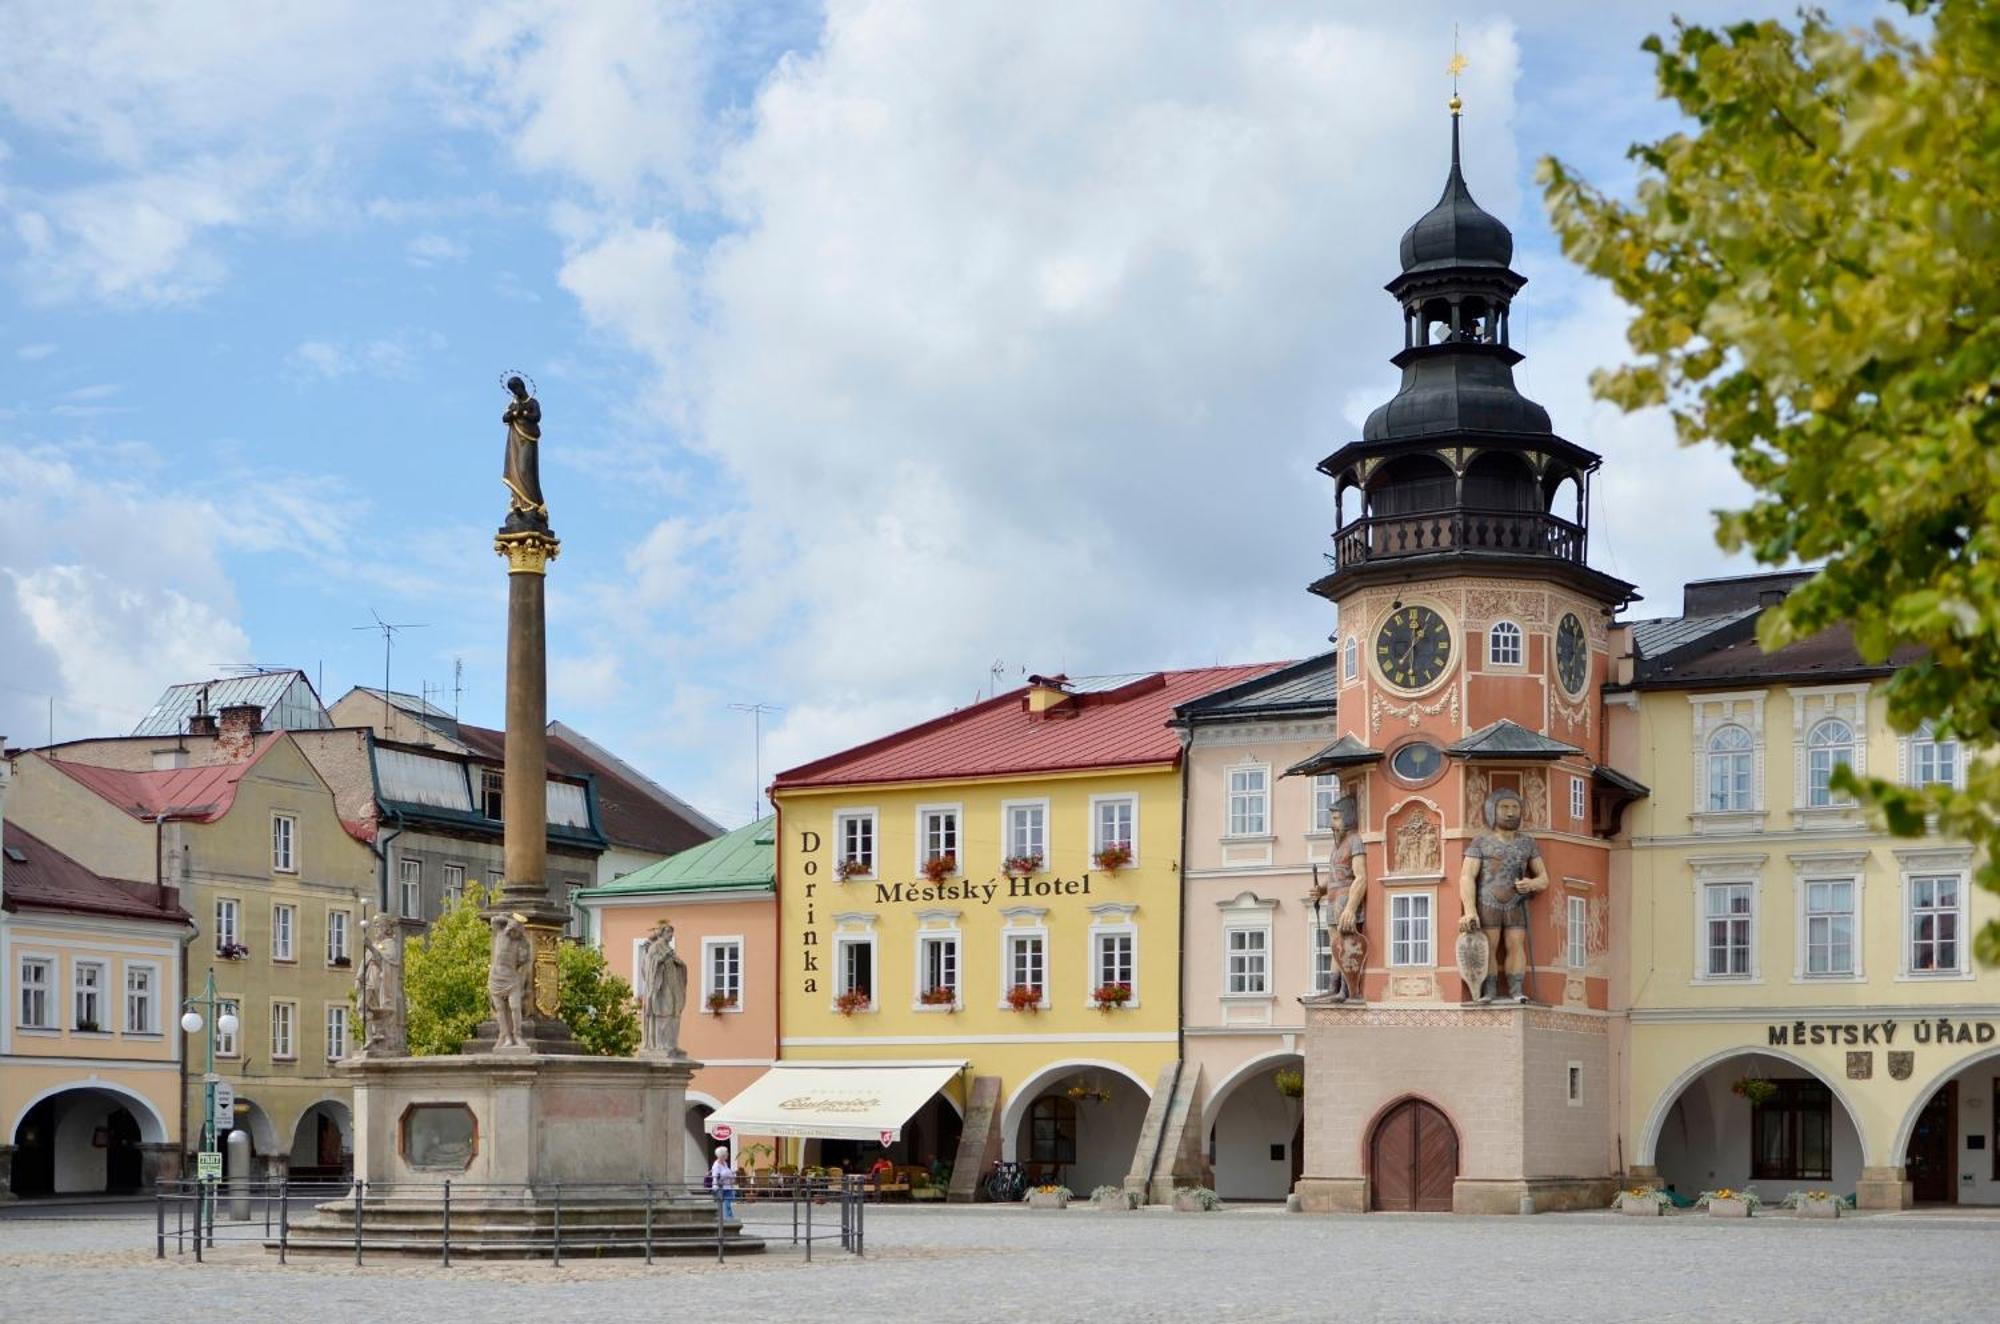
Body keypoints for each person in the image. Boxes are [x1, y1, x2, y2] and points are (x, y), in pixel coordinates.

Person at [1456, 788, 1549, 1003]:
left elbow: (1544, 878)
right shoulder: (1480, 842)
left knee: (1516, 944)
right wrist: (1469, 911)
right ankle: (1490, 990)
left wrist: (1531, 883)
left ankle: (1516, 990)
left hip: (1517, 901)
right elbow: (1466, 876)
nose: (1510, 813)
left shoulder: (1527, 843)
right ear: (1492, 810)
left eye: (1515, 808)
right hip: (1488, 901)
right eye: (1505, 807)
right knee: (1488, 945)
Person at [710, 1145, 737, 1220]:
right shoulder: (716, 1165)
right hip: (720, 1188)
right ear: (722, 1155)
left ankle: (729, 1219)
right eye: (726, 1153)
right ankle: (725, 1220)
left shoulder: (725, 1163)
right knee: (722, 1206)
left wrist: (732, 1176)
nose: (728, 1154)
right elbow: (715, 1177)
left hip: (727, 1187)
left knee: (727, 1205)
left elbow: (727, 1172)